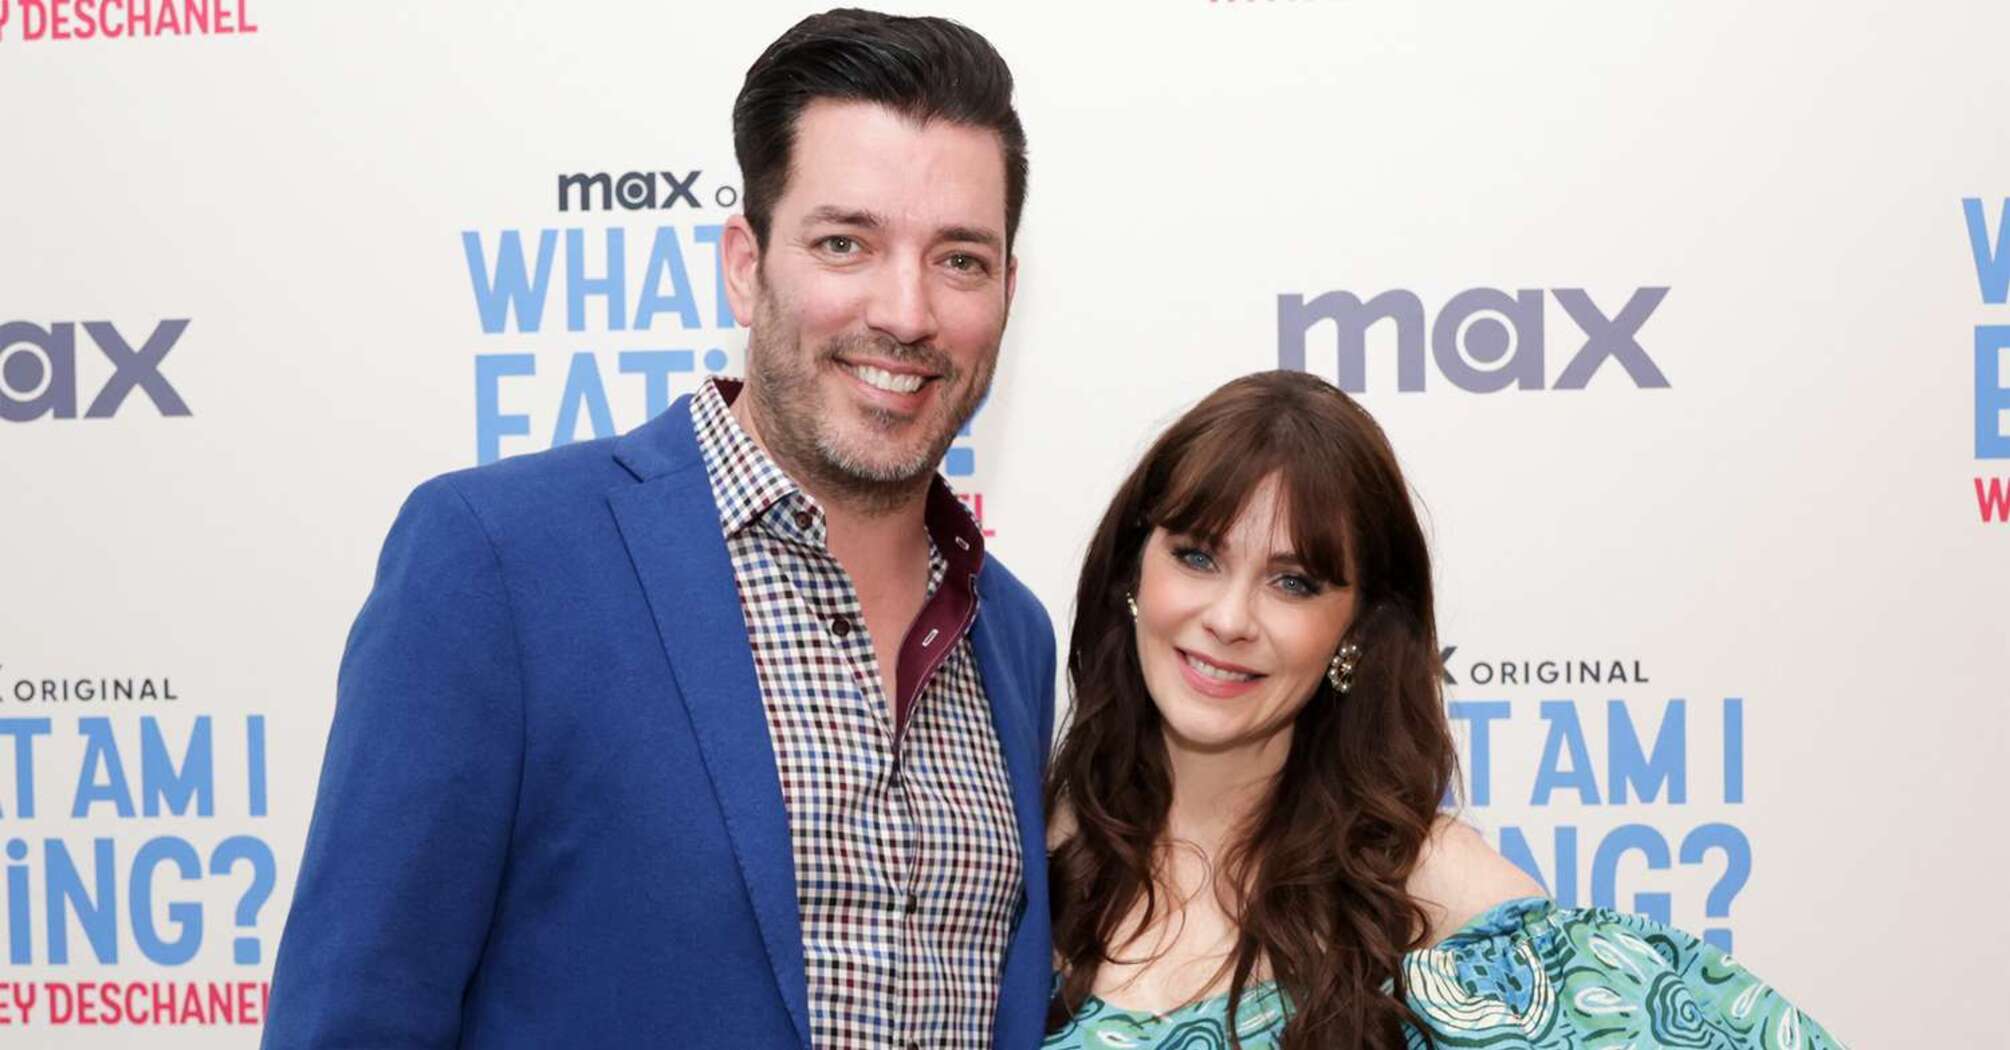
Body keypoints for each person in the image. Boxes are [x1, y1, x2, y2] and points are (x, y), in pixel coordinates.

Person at [263, 10, 1055, 1049]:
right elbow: (354, 1017)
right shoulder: (501, 565)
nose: (906, 312)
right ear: (745, 262)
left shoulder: (1015, 635)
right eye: (844, 243)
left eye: (959, 259)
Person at [1042, 371, 1842, 1049]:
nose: (1229, 618)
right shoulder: (1021, 856)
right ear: (1131, 572)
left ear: (1356, 628)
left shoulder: (1425, 888)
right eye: (1197, 556)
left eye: (1294, 582)